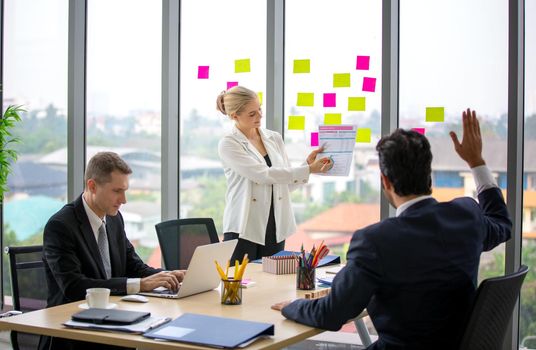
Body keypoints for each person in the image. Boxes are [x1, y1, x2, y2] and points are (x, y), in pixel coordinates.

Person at [272, 109, 512, 350]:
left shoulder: (374, 241)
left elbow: (331, 314)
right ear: (429, 176)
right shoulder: (467, 215)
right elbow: (502, 223)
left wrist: (291, 306)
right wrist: (476, 162)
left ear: (385, 181)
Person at [42, 152, 185, 350]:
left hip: (113, 322)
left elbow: (133, 266)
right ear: (92, 186)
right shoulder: (61, 226)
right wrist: (139, 285)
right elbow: (74, 286)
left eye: (125, 191)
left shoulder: (114, 219)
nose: (124, 200)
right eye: (117, 191)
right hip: (74, 333)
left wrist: (168, 276)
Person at [217, 86, 332, 262]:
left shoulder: (274, 138)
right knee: (242, 284)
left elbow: (285, 183)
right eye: (252, 114)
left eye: (259, 109)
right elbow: (262, 174)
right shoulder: (229, 144)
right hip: (244, 225)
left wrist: (307, 165)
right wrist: (308, 170)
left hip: (276, 224)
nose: (260, 116)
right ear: (235, 116)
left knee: (272, 283)